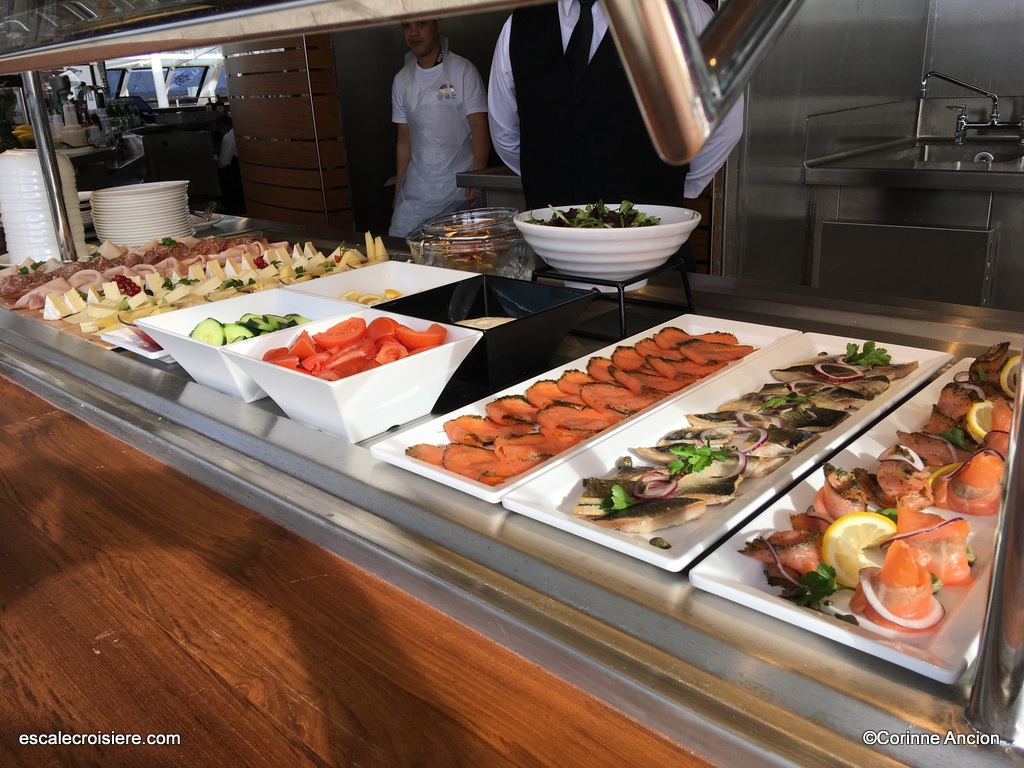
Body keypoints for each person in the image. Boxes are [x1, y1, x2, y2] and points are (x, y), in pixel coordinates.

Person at [487, 0, 744, 212]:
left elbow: (723, 121)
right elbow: (504, 131)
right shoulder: (519, 23)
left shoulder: (682, 10)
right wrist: (552, 179)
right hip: (550, 241)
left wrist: (678, 184)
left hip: (650, 237)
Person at [389, 18, 491, 237]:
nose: (413, 33)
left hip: (459, 194)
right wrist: (398, 191)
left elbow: (479, 126)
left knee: (457, 252)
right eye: (406, 26)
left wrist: (477, 178)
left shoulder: (463, 71)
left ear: (438, 25)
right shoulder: (401, 80)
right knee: (400, 247)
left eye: (421, 24)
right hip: (415, 197)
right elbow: (404, 140)